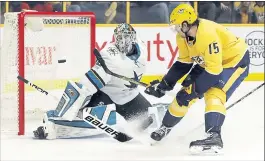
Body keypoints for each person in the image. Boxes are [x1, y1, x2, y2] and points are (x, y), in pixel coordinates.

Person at [145, 4, 250, 154]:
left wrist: (194, 91)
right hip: (208, 61)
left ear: (186, 24)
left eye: (176, 26)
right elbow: (183, 63)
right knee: (183, 95)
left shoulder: (207, 35)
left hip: (233, 62)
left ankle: (214, 136)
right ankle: (165, 126)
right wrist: (165, 84)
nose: (174, 30)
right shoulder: (182, 36)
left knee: (214, 93)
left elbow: (214, 72)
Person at [33, 23, 163, 142]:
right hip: (106, 96)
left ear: (133, 37)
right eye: (119, 37)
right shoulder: (109, 56)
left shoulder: (142, 48)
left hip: (130, 96)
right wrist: (74, 104)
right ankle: (53, 121)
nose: (123, 41)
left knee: (151, 119)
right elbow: (87, 84)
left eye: (126, 37)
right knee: (87, 119)